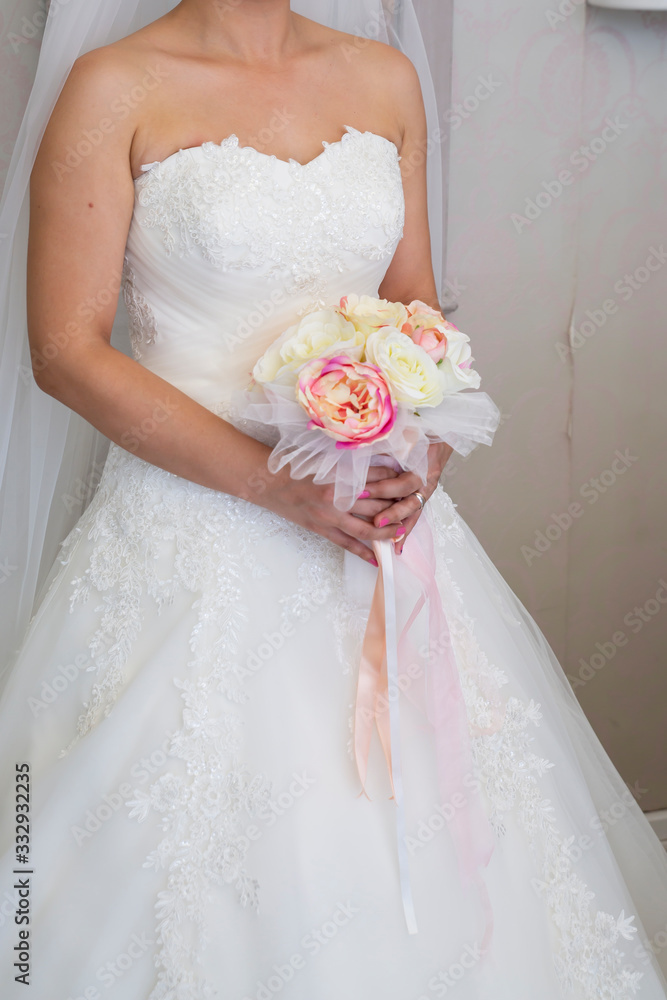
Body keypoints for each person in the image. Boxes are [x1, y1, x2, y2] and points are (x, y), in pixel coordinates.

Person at [1, 2, 667, 998]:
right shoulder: (116, 86)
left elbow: (416, 313)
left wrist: (424, 448)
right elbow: (66, 351)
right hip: (194, 524)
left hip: (372, 520)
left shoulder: (384, 78)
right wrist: (276, 486)